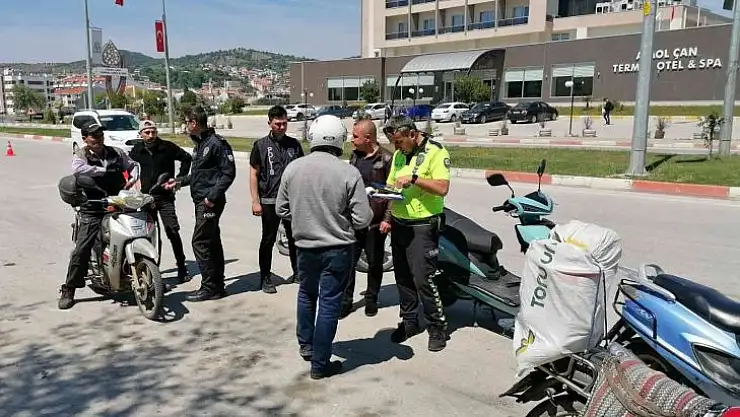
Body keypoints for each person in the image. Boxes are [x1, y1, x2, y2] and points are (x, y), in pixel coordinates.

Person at [275, 115, 373, 380]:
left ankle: (306, 346)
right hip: (338, 249)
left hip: (305, 246)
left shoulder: (293, 169)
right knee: (329, 303)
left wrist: (304, 216)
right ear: (339, 140)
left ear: (313, 137)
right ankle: (320, 364)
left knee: (307, 295)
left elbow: (281, 208)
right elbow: (362, 219)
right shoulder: (348, 173)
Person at [382, 115, 451, 352]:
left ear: (412, 134)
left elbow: (442, 188)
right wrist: (386, 216)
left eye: (399, 141)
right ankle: (409, 321)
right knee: (402, 277)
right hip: (399, 223)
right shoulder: (400, 155)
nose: (396, 147)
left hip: (423, 225)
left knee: (424, 279)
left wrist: (414, 178)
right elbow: (392, 187)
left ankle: (437, 327)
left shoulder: (436, 152)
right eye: (394, 142)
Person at [58, 121, 140, 310]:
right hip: (93, 206)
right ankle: (69, 288)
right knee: (82, 248)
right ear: (85, 138)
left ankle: (141, 274)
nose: (98, 139)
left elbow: (132, 164)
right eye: (94, 136)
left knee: (135, 231)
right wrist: (101, 170)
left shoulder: (116, 152)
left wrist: (134, 177)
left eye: (100, 135)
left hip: (117, 201)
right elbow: (78, 170)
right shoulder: (81, 155)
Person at [166, 106, 237, 302]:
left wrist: (211, 198)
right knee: (212, 242)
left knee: (200, 242)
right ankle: (218, 286)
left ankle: (209, 287)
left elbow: (228, 173)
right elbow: (199, 175)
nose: (185, 125)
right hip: (202, 200)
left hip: (209, 203)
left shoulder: (216, 143)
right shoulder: (201, 143)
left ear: (194, 122)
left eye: (187, 122)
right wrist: (178, 182)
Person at [339, 118, 393, 319]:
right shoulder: (355, 156)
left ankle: (371, 300)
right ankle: (346, 302)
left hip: (376, 223)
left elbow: (391, 192)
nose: (351, 140)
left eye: (355, 136)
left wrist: (387, 218)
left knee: (375, 263)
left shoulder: (387, 158)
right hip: (354, 220)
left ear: (368, 138)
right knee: (348, 263)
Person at [129, 120, 192, 283]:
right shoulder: (137, 150)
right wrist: (132, 181)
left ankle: (182, 267)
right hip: (145, 199)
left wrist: (179, 180)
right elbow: (128, 167)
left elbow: (187, 158)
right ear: (140, 134)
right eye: (147, 132)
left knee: (173, 231)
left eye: (153, 132)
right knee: (148, 236)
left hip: (165, 198)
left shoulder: (167, 147)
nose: (151, 135)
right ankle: (151, 269)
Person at [249, 105, 304, 294]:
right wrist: (255, 200)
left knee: (295, 238)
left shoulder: (294, 145)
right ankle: (265, 277)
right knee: (268, 239)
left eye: (284, 123)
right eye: (277, 124)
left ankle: (298, 273)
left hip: (291, 201)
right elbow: (254, 173)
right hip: (269, 201)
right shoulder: (260, 145)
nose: (281, 127)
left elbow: (301, 171)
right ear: (269, 123)